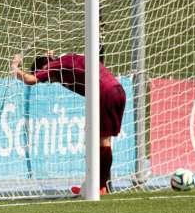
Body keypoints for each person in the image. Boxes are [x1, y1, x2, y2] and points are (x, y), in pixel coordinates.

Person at [10, 50, 125, 195]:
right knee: (94, 139)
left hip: (105, 93)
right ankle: (95, 185)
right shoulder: (68, 60)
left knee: (101, 141)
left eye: (47, 78)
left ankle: (99, 187)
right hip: (117, 90)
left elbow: (30, 80)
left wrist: (14, 67)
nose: (50, 81)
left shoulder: (56, 65)